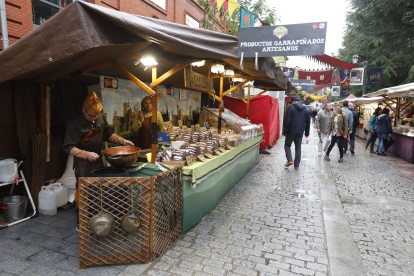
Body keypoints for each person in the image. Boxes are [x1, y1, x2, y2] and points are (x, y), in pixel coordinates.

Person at [63, 91, 134, 230]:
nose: (94, 118)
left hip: (98, 161)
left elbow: (108, 134)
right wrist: (85, 154)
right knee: (83, 193)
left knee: (99, 191)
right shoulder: (74, 124)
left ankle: (99, 219)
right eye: (91, 115)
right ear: (83, 110)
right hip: (83, 164)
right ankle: (82, 223)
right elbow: (68, 147)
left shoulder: (99, 119)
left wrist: (123, 140)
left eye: (97, 115)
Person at [283, 96, 311, 170]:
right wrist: (307, 133)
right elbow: (308, 122)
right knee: (298, 148)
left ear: (293, 102)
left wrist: (285, 131)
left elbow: (287, 121)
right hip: (300, 132)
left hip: (291, 131)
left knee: (287, 145)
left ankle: (289, 160)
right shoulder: (306, 110)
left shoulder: (291, 108)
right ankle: (297, 165)